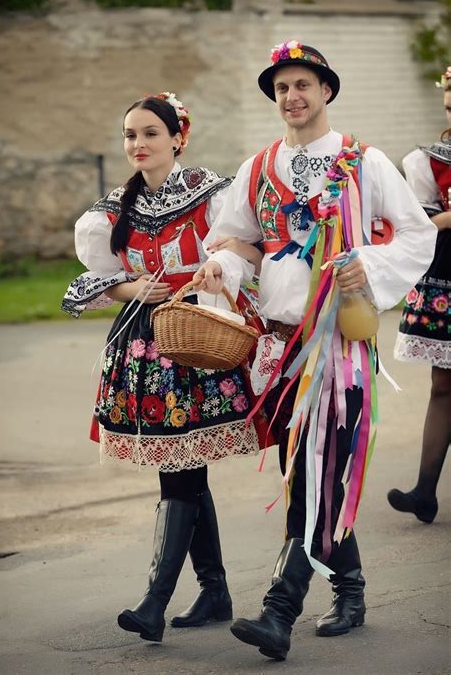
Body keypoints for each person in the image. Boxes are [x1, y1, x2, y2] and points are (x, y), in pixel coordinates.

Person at [193, 39, 437, 661]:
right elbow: (237, 239)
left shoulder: (363, 162)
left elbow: (414, 233)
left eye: (302, 84)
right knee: (309, 474)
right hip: (277, 347)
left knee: (318, 473)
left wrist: (368, 264)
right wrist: (219, 266)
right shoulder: (259, 166)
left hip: (336, 345)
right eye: (281, 88)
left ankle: (280, 609)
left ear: (327, 90)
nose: (291, 97)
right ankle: (350, 589)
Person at [62, 92, 263, 644]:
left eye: (150, 133)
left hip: (197, 342)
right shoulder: (112, 209)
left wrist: (212, 272)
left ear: (179, 137)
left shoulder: (213, 193)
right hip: (144, 349)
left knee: (182, 472)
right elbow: (94, 280)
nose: (138, 144)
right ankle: (214, 589)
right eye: (131, 135)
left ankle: (156, 600)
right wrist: (133, 287)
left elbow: (249, 250)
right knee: (183, 470)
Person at [388, 67, 451, 523]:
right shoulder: (428, 161)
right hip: (447, 276)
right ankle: (425, 491)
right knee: (444, 385)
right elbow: (420, 225)